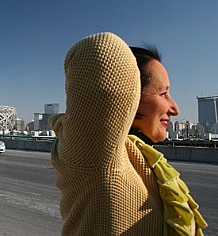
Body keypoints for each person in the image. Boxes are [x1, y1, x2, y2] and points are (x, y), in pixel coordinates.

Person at [49, 32, 207, 235]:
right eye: (163, 93)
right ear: (129, 95)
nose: (175, 108)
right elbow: (101, 49)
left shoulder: (143, 159)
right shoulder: (98, 157)